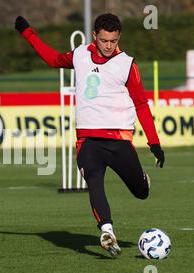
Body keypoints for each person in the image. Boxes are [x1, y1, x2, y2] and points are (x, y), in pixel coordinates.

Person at [15, 14, 165, 257]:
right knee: (93, 180)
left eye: (113, 41)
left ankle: (142, 181)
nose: (109, 46)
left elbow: (141, 104)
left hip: (118, 140)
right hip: (87, 140)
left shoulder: (127, 64)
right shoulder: (79, 55)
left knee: (141, 193)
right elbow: (52, 58)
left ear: (119, 38)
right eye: (104, 40)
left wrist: (154, 143)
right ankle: (107, 230)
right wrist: (27, 32)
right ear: (95, 36)